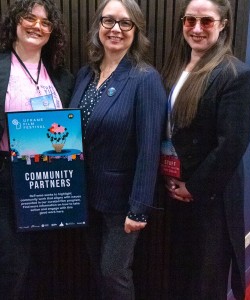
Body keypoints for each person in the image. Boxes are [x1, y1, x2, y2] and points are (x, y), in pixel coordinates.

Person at [0, 0, 74, 299]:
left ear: (52, 32)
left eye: (45, 22)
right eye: (29, 18)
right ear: (14, 22)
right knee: (7, 265)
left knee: (37, 263)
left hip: (44, 182)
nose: (37, 26)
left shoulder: (62, 77)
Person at [160, 0, 250, 299]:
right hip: (176, 189)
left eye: (207, 21)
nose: (197, 28)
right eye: (190, 20)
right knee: (180, 274)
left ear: (223, 24)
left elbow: (231, 145)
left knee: (206, 280)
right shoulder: (178, 67)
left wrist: (194, 187)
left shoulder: (235, 75)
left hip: (211, 197)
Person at [69, 0, 166, 298]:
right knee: (97, 269)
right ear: (98, 25)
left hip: (121, 202)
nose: (115, 29)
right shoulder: (86, 74)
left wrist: (139, 209)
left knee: (114, 273)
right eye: (108, 20)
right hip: (84, 195)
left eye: (125, 23)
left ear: (136, 31)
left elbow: (149, 151)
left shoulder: (144, 78)